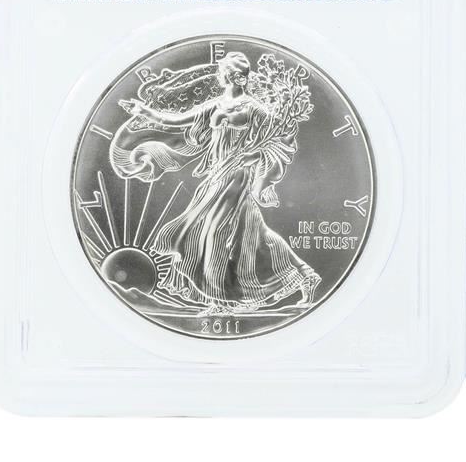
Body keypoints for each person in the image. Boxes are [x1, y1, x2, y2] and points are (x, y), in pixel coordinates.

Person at [112, 52, 320, 311]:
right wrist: (145, 111)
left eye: (223, 72)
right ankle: (304, 275)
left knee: (213, 232)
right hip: (217, 174)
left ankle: (219, 299)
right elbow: (174, 121)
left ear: (232, 76)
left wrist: (254, 155)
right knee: (251, 233)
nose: (219, 76)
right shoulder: (216, 105)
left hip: (237, 176)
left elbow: (280, 141)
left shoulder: (253, 108)